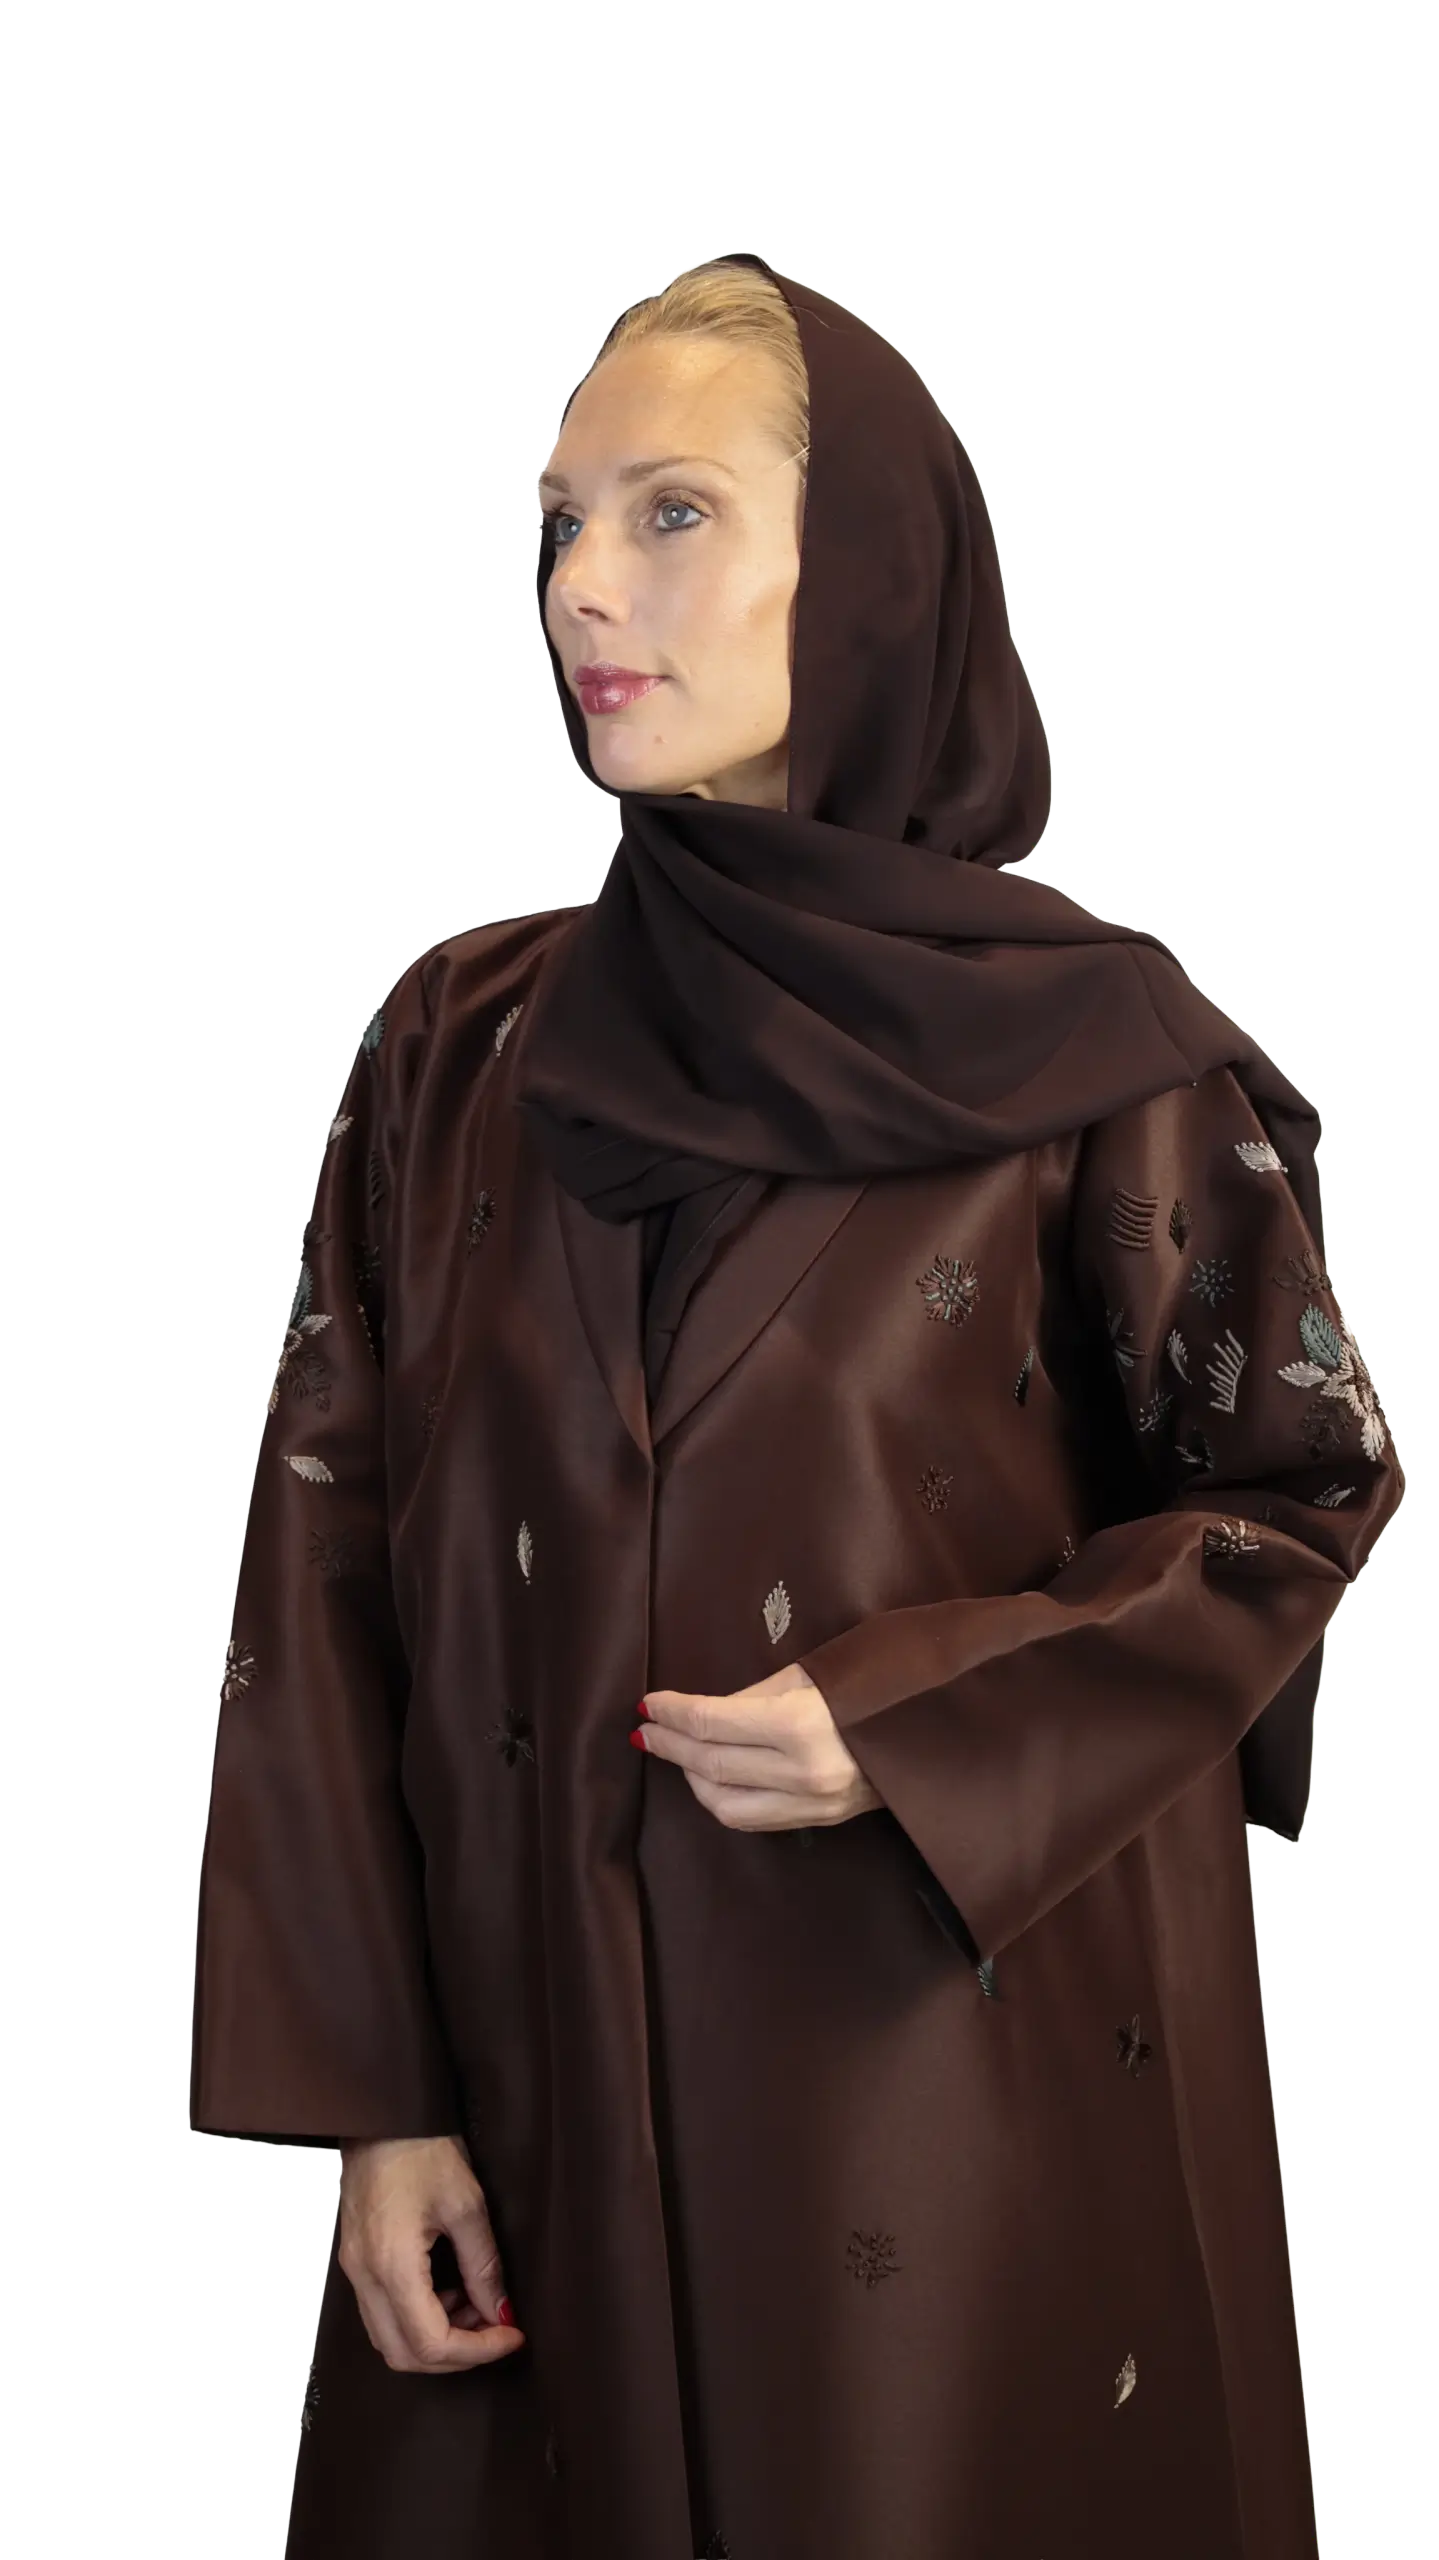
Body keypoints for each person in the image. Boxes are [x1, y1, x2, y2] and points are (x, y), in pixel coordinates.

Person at [190, 254, 1406, 2559]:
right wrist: (378, 2103)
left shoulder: (1100, 1060)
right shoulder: (459, 1046)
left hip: (946, 2099)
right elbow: (317, 1571)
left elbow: (1286, 1490)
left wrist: (915, 1717)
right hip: (532, 2101)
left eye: (669, 513)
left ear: (861, 572)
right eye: (558, 524)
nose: (580, 585)